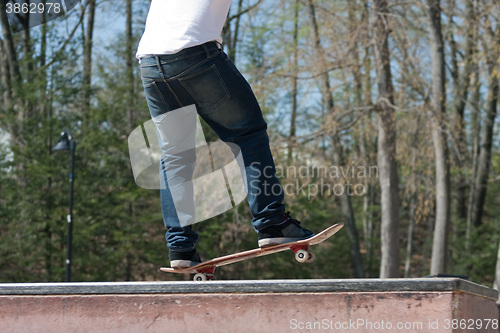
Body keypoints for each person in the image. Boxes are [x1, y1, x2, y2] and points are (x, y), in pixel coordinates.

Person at [136, 0, 313, 268]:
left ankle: (180, 246)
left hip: (150, 63)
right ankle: (273, 222)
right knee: (248, 133)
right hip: (195, 54)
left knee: (175, 155)